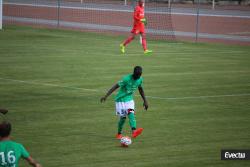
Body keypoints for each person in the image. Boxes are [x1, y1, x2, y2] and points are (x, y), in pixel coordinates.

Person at [100, 66, 149, 139]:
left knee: (131, 113)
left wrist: (145, 101)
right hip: (120, 100)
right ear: (134, 73)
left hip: (129, 99)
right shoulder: (126, 79)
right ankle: (119, 134)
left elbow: (140, 89)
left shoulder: (140, 79)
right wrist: (106, 96)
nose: (138, 77)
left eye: (140, 75)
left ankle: (134, 131)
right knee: (123, 118)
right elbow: (116, 86)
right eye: (137, 75)